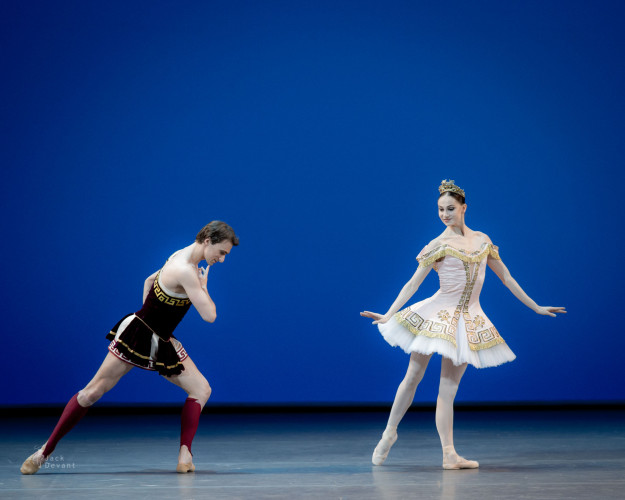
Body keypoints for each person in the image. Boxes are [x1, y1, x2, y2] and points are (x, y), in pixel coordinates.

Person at [361, 180, 565, 469]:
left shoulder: (482, 240)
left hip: (468, 321)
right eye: (440, 210)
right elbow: (412, 283)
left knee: (448, 390)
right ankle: (389, 433)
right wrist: (388, 313)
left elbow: (506, 277)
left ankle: (449, 455)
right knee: (413, 376)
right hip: (437, 315)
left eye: (450, 208)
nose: (445, 214)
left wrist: (535, 306)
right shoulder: (439, 244)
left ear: (463, 207)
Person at [20, 221, 239, 475]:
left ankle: (184, 455)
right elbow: (210, 315)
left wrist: (151, 320)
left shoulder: (178, 255)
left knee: (201, 389)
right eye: (221, 252)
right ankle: (44, 452)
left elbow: (149, 281)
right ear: (208, 240)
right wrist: (203, 287)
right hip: (141, 334)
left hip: (156, 336)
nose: (222, 260)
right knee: (92, 392)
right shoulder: (188, 271)